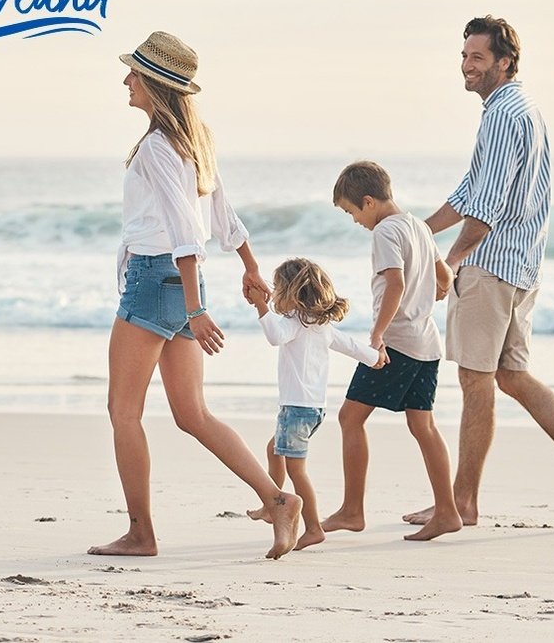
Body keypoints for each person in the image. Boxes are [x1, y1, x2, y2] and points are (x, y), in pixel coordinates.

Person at [88, 31, 304, 560]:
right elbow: (223, 215)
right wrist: (250, 266)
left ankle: (141, 533)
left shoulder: (162, 146)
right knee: (192, 414)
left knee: (123, 412)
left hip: (158, 284)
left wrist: (196, 308)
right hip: (181, 283)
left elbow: (188, 228)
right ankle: (277, 500)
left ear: (155, 83)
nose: (125, 81)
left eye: (133, 74)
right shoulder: (194, 138)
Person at [404, 15, 554, 532]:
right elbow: (472, 188)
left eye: (477, 58)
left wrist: (447, 263)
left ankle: (461, 504)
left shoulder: (502, 116)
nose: (466, 67)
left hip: (492, 267)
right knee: (511, 377)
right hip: (521, 266)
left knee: (476, 380)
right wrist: (418, 231)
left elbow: (486, 209)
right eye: (463, 56)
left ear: (504, 61)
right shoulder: (522, 109)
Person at [318, 160, 461, 541]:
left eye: (351, 212)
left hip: (396, 343)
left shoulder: (384, 232)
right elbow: (445, 277)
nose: (354, 221)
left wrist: (378, 334)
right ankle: (447, 511)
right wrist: (429, 296)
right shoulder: (418, 226)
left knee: (350, 418)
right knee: (422, 425)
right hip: (426, 343)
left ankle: (352, 511)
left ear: (368, 202)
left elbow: (394, 283)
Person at [244, 257, 382, 551]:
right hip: (314, 409)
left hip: (295, 408)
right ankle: (271, 504)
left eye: (278, 287)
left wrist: (260, 306)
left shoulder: (294, 322)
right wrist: (376, 357)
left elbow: (274, 337)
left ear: (291, 292)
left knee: (297, 470)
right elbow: (354, 348)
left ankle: (313, 527)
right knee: (274, 450)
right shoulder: (322, 325)